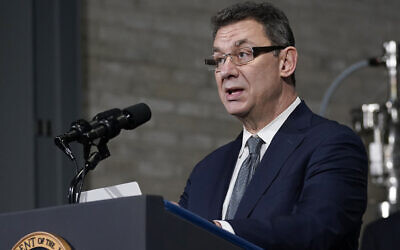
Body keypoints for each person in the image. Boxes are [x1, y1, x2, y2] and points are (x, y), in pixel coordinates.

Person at [179, 2, 368, 249]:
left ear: (286, 62)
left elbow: (318, 229)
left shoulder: (332, 145)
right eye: (218, 60)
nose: (225, 71)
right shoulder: (206, 171)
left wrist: (222, 230)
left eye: (242, 55)